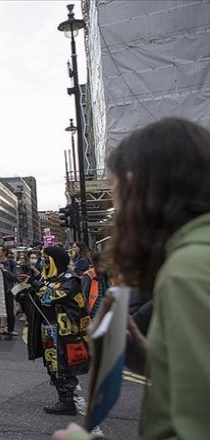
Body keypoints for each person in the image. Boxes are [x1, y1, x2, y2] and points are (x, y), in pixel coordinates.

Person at [52, 118, 210, 439]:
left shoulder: (188, 270)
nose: (117, 210)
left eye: (114, 193)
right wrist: (153, 359)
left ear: (135, 184)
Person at [16, 246, 89, 416]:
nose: (42, 261)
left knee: (63, 366)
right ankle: (63, 398)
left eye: (46, 258)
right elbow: (37, 294)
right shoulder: (45, 277)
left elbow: (52, 296)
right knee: (52, 365)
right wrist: (22, 288)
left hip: (65, 332)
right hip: (47, 329)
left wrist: (35, 283)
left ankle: (67, 401)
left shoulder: (70, 280)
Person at [0, 246, 19, 342]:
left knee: (10, 312)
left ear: (4, 252)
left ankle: (10, 331)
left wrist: (4, 270)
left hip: (8, 290)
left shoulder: (12, 263)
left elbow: (15, 277)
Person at [81, 252, 111, 319]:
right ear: (98, 263)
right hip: (93, 313)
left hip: (104, 312)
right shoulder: (88, 275)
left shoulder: (105, 275)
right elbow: (84, 295)